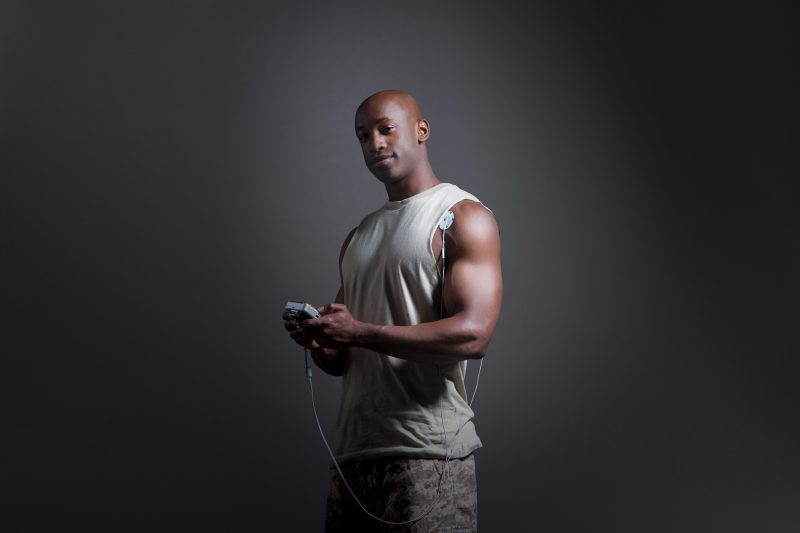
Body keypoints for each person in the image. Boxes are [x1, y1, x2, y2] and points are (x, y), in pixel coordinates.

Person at [283, 89, 502, 532]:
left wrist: (359, 331)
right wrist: (321, 339)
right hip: (354, 455)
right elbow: (343, 359)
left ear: (421, 131)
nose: (375, 143)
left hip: (428, 455)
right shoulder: (359, 236)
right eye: (363, 136)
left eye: (386, 129)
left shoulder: (461, 216)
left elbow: (474, 334)